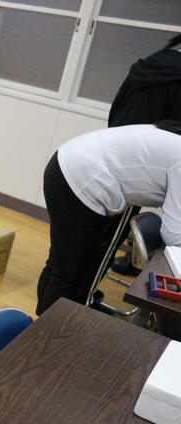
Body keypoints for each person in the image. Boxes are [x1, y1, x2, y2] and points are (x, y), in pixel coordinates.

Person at [36, 121, 181, 316]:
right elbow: (173, 235)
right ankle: (53, 331)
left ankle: (40, 327)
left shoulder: (174, 140)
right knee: (76, 276)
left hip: (64, 167)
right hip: (84, 182)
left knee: (60, 264)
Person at [108, 34, 181, 276]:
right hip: (135, 166)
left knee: (97, 234)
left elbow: (117, 109)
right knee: (106, 236)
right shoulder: (176, 77)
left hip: (115, 150)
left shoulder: (153, 62)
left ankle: (128, 260)